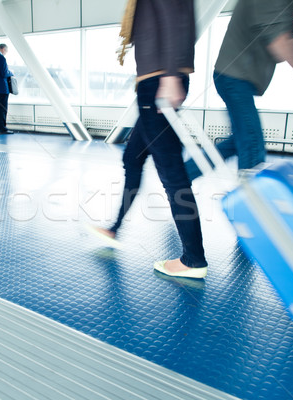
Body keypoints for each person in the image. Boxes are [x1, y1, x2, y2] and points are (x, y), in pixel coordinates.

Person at [90, 0, 208, 279]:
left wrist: (170, 76)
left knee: (172, 173)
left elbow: (177, 16)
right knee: (132, 157)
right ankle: (114, 227)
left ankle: (194, 259)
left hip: (159, 81)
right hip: (152, 83)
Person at [188, 0, 293, 178]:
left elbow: (286, 36)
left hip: (234, 77)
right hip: (234, 77)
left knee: (239, 140)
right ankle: (252, 198)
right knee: (251, 141)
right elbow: (280, 42)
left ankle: (181, 176)